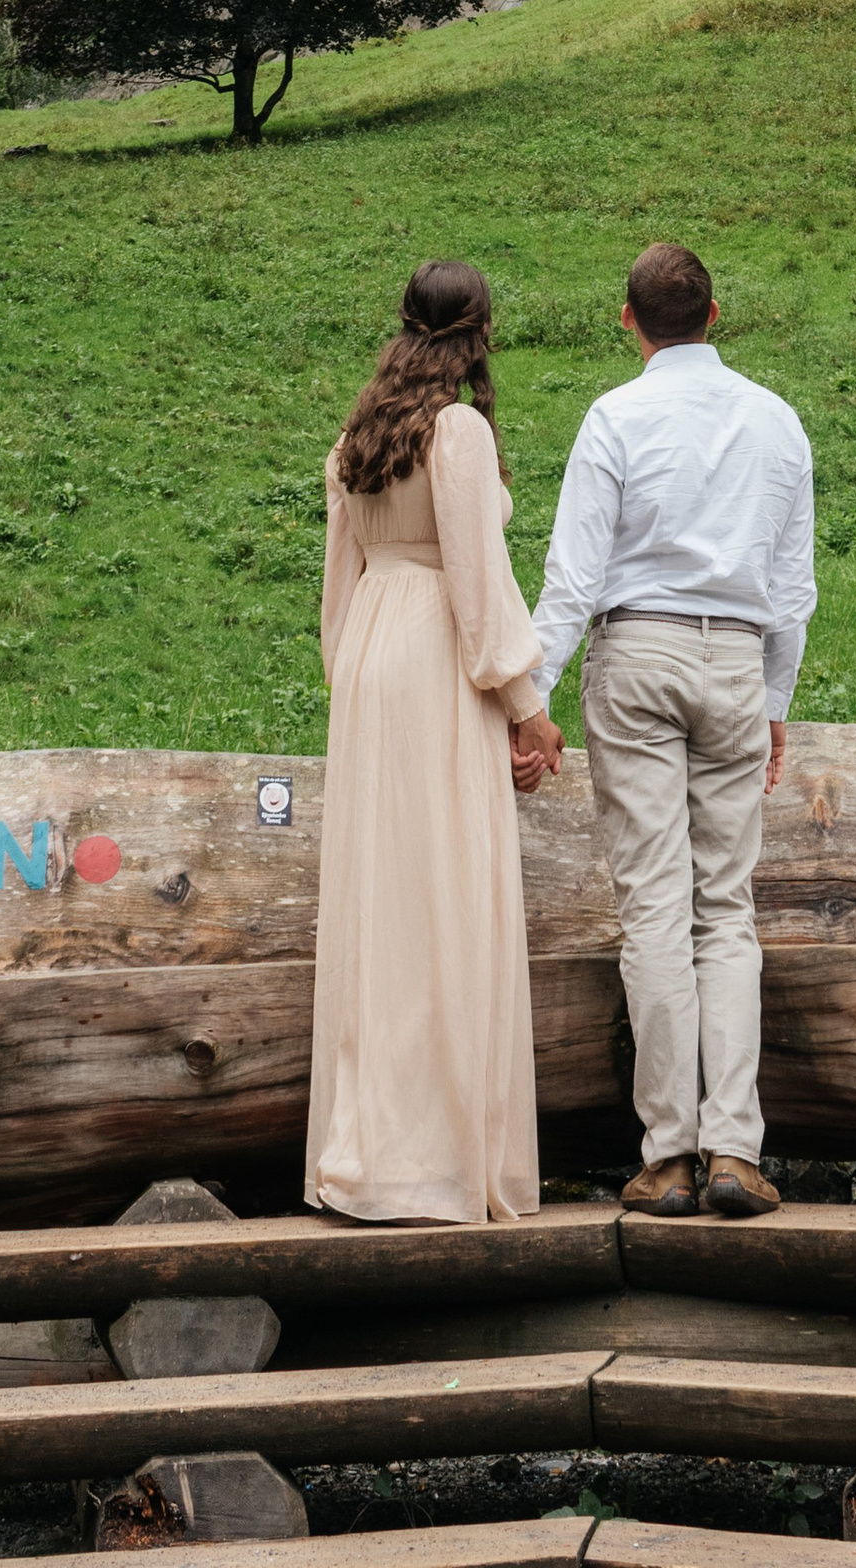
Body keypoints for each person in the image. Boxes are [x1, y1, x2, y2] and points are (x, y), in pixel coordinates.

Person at [515, 239, 816, 1220]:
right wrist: (773, 703)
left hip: (635, 653)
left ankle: (668, 1154)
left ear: (627, 322)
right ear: (715, 314)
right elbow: (792, 588)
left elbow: (571, 580)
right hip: (733, 657)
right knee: (725, 906)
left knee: (653, 904)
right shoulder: (776, 422)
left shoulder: (614, 416)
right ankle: (737, 1149)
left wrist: (531, 701)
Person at [306, 259, 552, 1223]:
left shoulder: (360, 435)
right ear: (480, 331)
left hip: (371, 656)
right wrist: (526, 707)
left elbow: (336, 589)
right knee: (443, 891)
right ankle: (435, 1161)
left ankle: (370, 1143)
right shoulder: (456, 432)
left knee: (382, 899)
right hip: (433, 659)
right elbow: (478, 585)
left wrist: (349, 679)